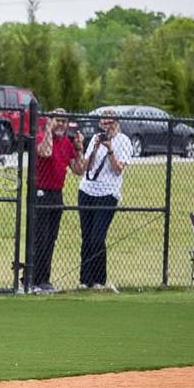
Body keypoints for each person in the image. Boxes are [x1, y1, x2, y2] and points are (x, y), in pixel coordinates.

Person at [77, 109, 132, 292]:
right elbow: (86, 167)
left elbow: (118, 169)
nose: (106, 127)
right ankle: (85, 280)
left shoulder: (123, 141)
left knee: (97, 237)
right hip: (87, 190)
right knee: (86, 237)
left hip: (108, 194)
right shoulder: (95, 138)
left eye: (109, 124)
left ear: (116, 123)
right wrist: (93, 149)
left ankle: (99, 279)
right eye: (103, 124)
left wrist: (110, 150)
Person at [32, 108, 84, 293]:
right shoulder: (40, 137)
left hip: (56, 193)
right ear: (50, 121)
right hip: (40, 193)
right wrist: (47, 130)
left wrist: (79, 149)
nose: (61, 124)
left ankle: (44, 279)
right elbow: (45, 152)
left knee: (51, 239)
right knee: (40, 238)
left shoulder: (66, 143)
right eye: (57, 120)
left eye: (64, 121)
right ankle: (34, 279)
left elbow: (79, 170)